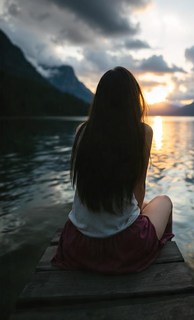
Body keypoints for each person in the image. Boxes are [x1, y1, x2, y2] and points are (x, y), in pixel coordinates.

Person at [52, 66, 173, 274]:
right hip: (125, 248)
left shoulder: (83, 131)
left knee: (141, 205)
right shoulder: (143, 132)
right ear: (134, 101)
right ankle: (153, 253)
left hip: (77, 246)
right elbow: (138, 190)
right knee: (163, 201)